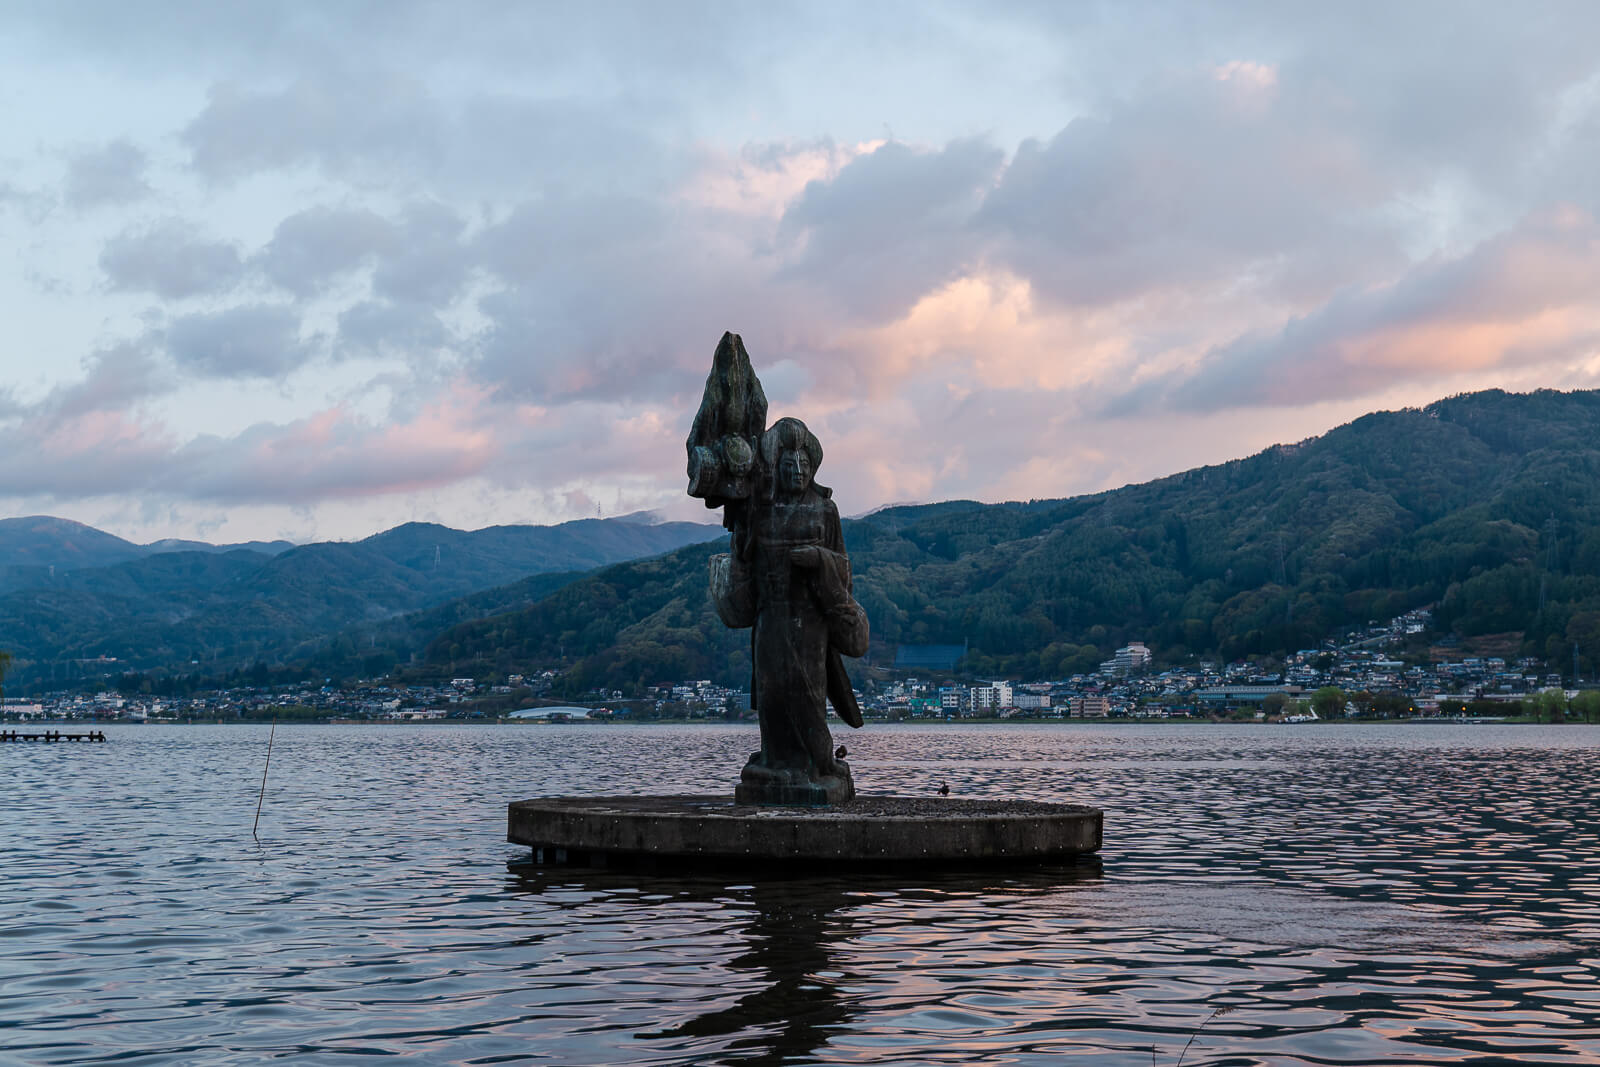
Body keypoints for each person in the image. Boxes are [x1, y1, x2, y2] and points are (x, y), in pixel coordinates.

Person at [712, 417, 869, 803]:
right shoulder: (761, 509)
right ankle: (776, 760)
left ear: (812, 468)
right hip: (771, 617)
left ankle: (817, 762)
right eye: (788, 466)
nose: (796, 472)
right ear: (776, 468)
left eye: (802, 467)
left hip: (811, 621)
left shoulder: (825, 510)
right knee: (773, 692)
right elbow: (743, 554)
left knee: (808, 691)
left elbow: (844, 567)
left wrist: (819, 559)